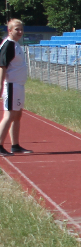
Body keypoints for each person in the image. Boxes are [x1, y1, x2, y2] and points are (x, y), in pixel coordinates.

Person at [0, 18, 31, 155]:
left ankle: (15, 145)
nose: (20, 32)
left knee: (17, 115)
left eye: (21, 29)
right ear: (9, 30)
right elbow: (2, 67)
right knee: (9, 115)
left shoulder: (15, 44)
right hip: (12, 85)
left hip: (19, 85)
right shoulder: (8, 45)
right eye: (16, 29)